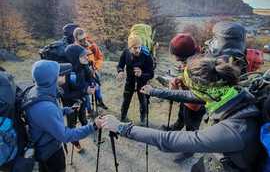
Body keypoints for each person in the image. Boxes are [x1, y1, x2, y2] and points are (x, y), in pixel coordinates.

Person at [101, 55, 261, 172]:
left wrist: (122, 128)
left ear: (202, 90)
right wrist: (155, 91)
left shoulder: (233, 131)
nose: (189, 91)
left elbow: (167, 140)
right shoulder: (228, 92)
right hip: (224, 159)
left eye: (190, 87)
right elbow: (191, 95)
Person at [24, 60, 102, 172]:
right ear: (52, 79)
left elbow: (46, 119)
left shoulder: (38, 91)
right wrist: (93, 126)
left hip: (45, 146)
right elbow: (65, 135)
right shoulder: (46, 108)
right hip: (49, 154)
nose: (64, 75)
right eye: (60, 73)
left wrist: (65, 110)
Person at [166, 33, 205, 133]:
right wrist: (180, 78)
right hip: (187, 98)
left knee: (191, 127)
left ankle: (189, 143)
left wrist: (177, 89)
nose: (175, 58)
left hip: (194, 104)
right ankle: (177, 127)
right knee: (182, 113)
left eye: (176, 55)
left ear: (183, 55)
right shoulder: (193, 58)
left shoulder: (197, 67)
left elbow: (196, 88)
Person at [64, 44, 96, 152]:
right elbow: (65, 94)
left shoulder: (84, 66)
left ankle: (86, 129)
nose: (87, 57)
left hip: (82, 100)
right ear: (75, 58)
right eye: (83, 56)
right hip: (70, 105)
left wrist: (91, 85)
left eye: (86, 55)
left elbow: (90, 78)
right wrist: (84, 90)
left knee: (83, 117)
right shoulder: (65, 73)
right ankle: (75, 142)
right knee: (72, 124)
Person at [117, 34, 154, 125]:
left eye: (139, 47)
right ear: (129, 48)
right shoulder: (126, 52)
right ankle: (123, 117)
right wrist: (120, 71)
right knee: (126, 100)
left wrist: (142, 74)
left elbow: (151, 74)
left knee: (143, 101)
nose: (137, 50)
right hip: (130, 81)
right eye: (134, 48)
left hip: (142, 82)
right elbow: (120, 64)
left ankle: (143, 119)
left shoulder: (147, 55)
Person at [73, 27, 108, 110]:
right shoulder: (74, 49)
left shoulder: (92, 45)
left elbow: (99, 57)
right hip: (81, 73)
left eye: (84, 38)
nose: (83, 41)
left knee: (97, 86)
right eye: (80, 40)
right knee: (86, 92)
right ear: (76, 39)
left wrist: (95, 67)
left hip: (93, 70)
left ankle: (99, 101)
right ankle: (89, 110)